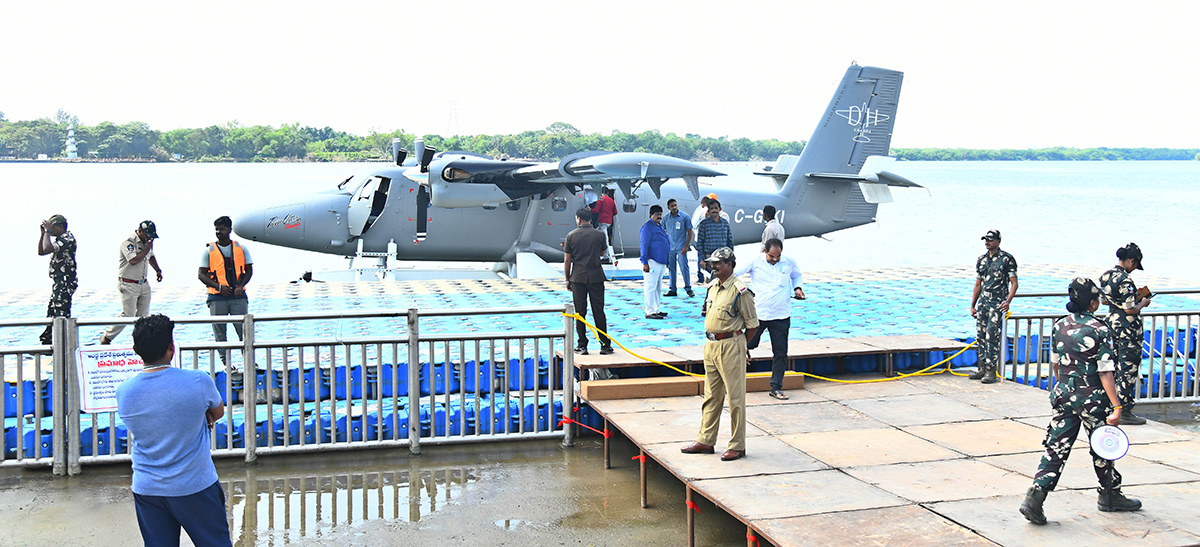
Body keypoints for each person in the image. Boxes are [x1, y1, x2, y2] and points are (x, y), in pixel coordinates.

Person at [1019, 278, 1141, 525]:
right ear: (1094, 303)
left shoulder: (1059, 325)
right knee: (1102, 446)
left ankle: (1035, 497)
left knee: (1056, 446)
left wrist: (1060, 388)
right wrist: (1116, 406)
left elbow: (1055, 362)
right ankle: (1109, 494)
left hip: (1064, 393)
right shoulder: (1100, 328)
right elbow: (1105, 371)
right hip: (1092, 397)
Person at [116, 314, 232, 547]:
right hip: (195, 485)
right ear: (171, 347)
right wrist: (201, 415)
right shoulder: (198, 381)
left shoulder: (124, 391)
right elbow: (218, 412)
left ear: (136, 350)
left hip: (147, 487)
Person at [680, 248, 759, 462]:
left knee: (735, 398)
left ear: (730, 265)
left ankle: (737, 445)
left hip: (731, 345)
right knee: (711, 396)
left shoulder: (740, 291)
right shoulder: (712, 287)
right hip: (711, 345)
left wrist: (741, 345)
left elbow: (752, 325)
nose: (714, 267)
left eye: (719, 264)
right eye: (712, 263)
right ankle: (706, 440)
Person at [735, 238, 804, 400]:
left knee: (780, 352)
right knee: (748, 343)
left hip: (781, 315)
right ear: (765, 252)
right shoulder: (755, 262)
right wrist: (741, 290)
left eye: (778, 256)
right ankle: (733, 379)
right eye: (772, 256)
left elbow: (797, 275)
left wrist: (798, 288)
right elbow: (734, 274)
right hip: (759, 313)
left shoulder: (788, 262)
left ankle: (776, 387)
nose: (775, 259)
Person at [1098, 242, 1152, 425]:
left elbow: (1104, 301)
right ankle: (1125, 410)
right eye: (1135, 265)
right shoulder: (1125, 280)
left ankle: (1110, 405)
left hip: (1111, 323)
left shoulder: (1106, 276)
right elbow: (1130, 309)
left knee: (1111, 367)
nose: (1134, 269)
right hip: (1128, 329)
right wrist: (1143, 302)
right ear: (1131, 261)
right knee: (1128, 369)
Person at [197, 216, 254, 365]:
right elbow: (201, 275)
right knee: (220, 333)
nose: (219, 232)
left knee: (244, 331)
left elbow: (248, 271)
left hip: (238, 296)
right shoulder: (209, 251)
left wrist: (240, 286)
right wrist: (219, 287)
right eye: (217, 229)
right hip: (217, 297)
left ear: (230, 230)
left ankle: (249, 361)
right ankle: (226, 364)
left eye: (222, 229)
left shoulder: (241, 248)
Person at [564, 208, 615, 372]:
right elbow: (602, 252)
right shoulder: (600, 235)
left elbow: (567, 260)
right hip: (596, 277)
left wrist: (567, 278)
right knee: (599, 311)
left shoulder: (571, 235)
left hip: (578, 278)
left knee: (580, 313)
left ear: (578, 219)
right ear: (589, 219)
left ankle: (582, 345)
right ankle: (604, 345)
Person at [101, 220, 163, 345]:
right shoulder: (129, 242)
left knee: (143, 317)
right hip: (128, 284)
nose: (149, 238)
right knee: (127, 314)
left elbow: (150, 256)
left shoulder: (148, 244)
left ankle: (141, 342)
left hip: (143, 284)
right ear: (140, 232)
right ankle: (107, 337)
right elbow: (133, 260)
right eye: (147, 235)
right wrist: (147, 249)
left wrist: (157, 269)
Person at [968, 229, 1018, 384]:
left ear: (998, 241)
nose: (987, 242)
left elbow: (1014, 283)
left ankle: (991, 371)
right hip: (983, 301)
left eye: (990, 240)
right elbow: (978, 283)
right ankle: (981, 368)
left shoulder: (1006, 259)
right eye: (985, 240)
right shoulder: (981, 260)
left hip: (997, 302)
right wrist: (973, 305)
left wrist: (1007, 301)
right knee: (981, 335)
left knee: (992, 336)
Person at [37, 214, 77, 346]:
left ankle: (63, 345)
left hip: (65, 282)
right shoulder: (59, 239)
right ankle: (50, 341)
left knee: (61, 314)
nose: (51, 230)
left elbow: (48, 248)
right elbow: (42, 251)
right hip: (58, 283)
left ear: (60, 227)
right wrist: (43, 234)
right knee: (52, 313)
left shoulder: (67, 239)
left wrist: (47, 233)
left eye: (53, 227)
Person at [640, 205, 670, 320]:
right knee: (650, 286)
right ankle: (649, 311)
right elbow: (644, 244)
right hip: (652, 260)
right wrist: (645, 261)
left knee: (658, 286)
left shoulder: (660, 226)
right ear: (651, 215)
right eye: (657, 214)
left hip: (661, 261)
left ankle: (656, 308)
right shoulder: (647, 227)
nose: (659, 216)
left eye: (660, 214)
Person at [694, 200, 734, 284]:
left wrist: (731, 258)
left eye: (716, 208)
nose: (714, 210)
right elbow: (699, 243)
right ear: (708, 211)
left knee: (724, 281)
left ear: (720, 209)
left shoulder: (725, 223)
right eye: (711, 208)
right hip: (710, 258)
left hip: (723, 258)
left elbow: (730, 241)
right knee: (712, 283)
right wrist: (702, 260)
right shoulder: (704, 224)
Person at [662, 199, 694, 298]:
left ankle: (688, 288)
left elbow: (689, 231)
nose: (674, 207)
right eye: (672, 206)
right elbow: (662, 233)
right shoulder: (666, 219)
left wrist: (686, 246)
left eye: (675, 205)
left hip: (681, 247)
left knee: (684, 267)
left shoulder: (684, 217)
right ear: (668, 208)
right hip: (670, 247)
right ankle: (672, 289)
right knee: (671, 268)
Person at [590, 187, 618, 261]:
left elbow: (596, 210)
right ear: (608, 193)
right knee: (599, 234)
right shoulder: (612, 201)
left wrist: (589, 209)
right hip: (609, 221)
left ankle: (606, 256)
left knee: (604, 237)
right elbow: (615, 212)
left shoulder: (601, 199)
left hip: (602, 221)